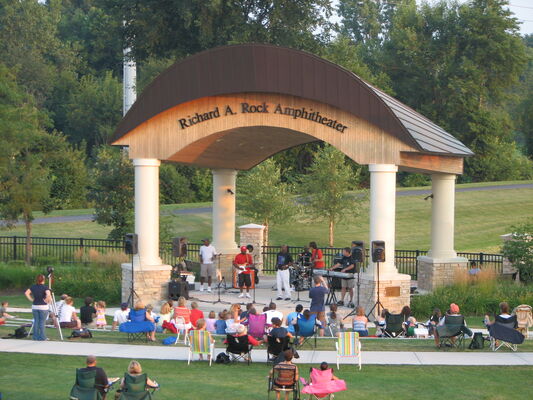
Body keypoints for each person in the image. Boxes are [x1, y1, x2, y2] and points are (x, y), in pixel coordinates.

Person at [25, 274, 52, 341]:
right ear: (43, 280)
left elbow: (26, 293)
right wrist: (46, 300)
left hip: (35, 306)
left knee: (36, 321)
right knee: (42, 322)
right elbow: (48, 295)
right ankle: (42, 337)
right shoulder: (45, 287)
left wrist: (31, 299)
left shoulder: (33, 287)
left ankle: (35, 336)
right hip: (43, 307)